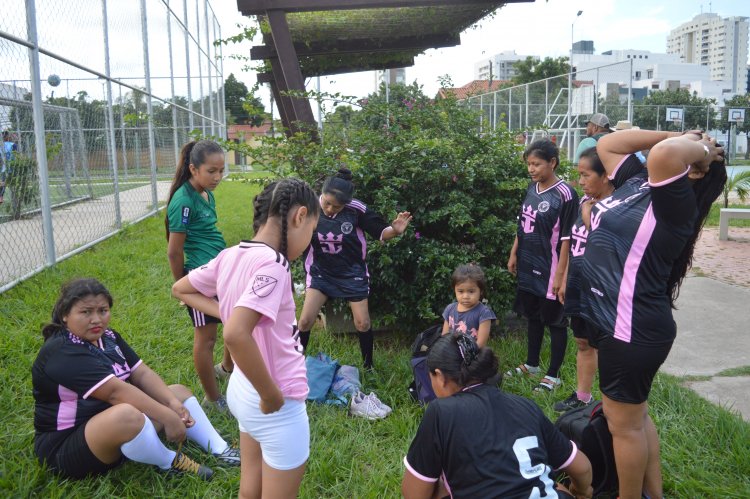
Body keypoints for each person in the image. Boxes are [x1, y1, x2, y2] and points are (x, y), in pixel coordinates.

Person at [580, 130, 726, 499]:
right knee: (633, 417)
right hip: (615, 321)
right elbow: (608, 145)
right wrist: (682, 134)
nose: (683, 164)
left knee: (624, 426)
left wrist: (703, 151)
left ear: (694, 175)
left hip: (632, 328)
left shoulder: (674, 207)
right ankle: (654, 495)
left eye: (691, 167)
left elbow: (663, 155)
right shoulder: (637, 183)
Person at [172, 178, 320, 499]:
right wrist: (271, 395)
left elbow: (180, 288)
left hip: (241, 387)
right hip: (274, 399)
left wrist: (229, 310)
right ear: (299, 216)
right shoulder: (275, 265)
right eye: (311, 231)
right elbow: (237, 333)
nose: (308, 242)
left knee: (249, 485)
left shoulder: (231, 254)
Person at [32, 278, 239, 481]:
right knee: (127, 414)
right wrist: (168, 417)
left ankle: (220, 449)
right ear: (65, 315)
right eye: (85, 312)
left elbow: (141, 373)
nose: (96, 319)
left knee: (177, 392)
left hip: (111, 424)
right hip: (66, 447)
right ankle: (169, 462)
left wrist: (173, 404)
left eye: (102, 311)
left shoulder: (108, 337)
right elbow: (116, 393)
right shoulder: (62, 350)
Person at [402, 333, 593, 499]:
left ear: (440, 376)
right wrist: (581, 492)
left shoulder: (439, 412)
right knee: (552, 483)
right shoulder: (525, 404)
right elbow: (582, 467)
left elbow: (415, 494)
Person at [296, 167, 412, 369]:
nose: (330, 209)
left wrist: (395, 230)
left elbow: (382, 232)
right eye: (327, 203)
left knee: (362, 323)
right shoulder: (309, 206)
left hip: (352, 273)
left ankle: (369, 367)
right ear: (321, 194)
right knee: (305, 321)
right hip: (320, 272)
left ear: (346, 204)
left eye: (337, 207)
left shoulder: (356, 209)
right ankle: (293, 364)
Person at [166, 139, 233, 412]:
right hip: (200, 278)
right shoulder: (183, 201)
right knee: (206, 339)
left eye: (221, 170)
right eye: (211, 171)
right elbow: (174, 251)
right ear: (194, 169)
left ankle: (227, 367)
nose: (217, 177)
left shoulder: (206, 192)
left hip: (221, 271)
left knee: (235, 321)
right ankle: (213, 398)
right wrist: (183, 286)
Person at [506, 139, 578, 392]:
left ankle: (553, 375)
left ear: (552, 163)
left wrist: (561, 275)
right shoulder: (531, 188)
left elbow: (568, 237)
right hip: (528, 263)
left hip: (551, 269)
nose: (531, 169)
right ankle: (532, 364)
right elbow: (523, 222)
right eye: (529, 164)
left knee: (556, 321)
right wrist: (515, 252)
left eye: (536, 164)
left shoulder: (566, 194)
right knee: (533, 316)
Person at [553, 147, 616, 412]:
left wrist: (591, 215)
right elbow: (570, 242)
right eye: (579, 175)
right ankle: (582, 396)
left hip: (601, 289)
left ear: (606, 175)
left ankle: (611, 404)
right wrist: (564, 276)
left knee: (605, 345)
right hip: (578, 283)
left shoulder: (617, 209)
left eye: (586, 175)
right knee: (582, 341)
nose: (580, 182)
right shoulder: (584, 202)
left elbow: (607, 244)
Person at [441, 263, 496, 348]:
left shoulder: (483, 313)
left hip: (474, 356)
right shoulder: (450, 309)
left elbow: (480, 344)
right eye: (461, 291)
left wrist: (466, 356)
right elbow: (444, 337)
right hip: (451, 355)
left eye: (471, 291)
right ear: (454, 290)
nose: (465, 296)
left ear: (480, 291)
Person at [1, 131, 17, 204]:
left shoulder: (1, 146)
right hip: (13, 166)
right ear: (8, 137)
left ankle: (1, 197)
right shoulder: (13, 144)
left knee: (3, 183)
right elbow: (16, 154)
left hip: (5, 167)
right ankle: (15, 198)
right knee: (14, 183)